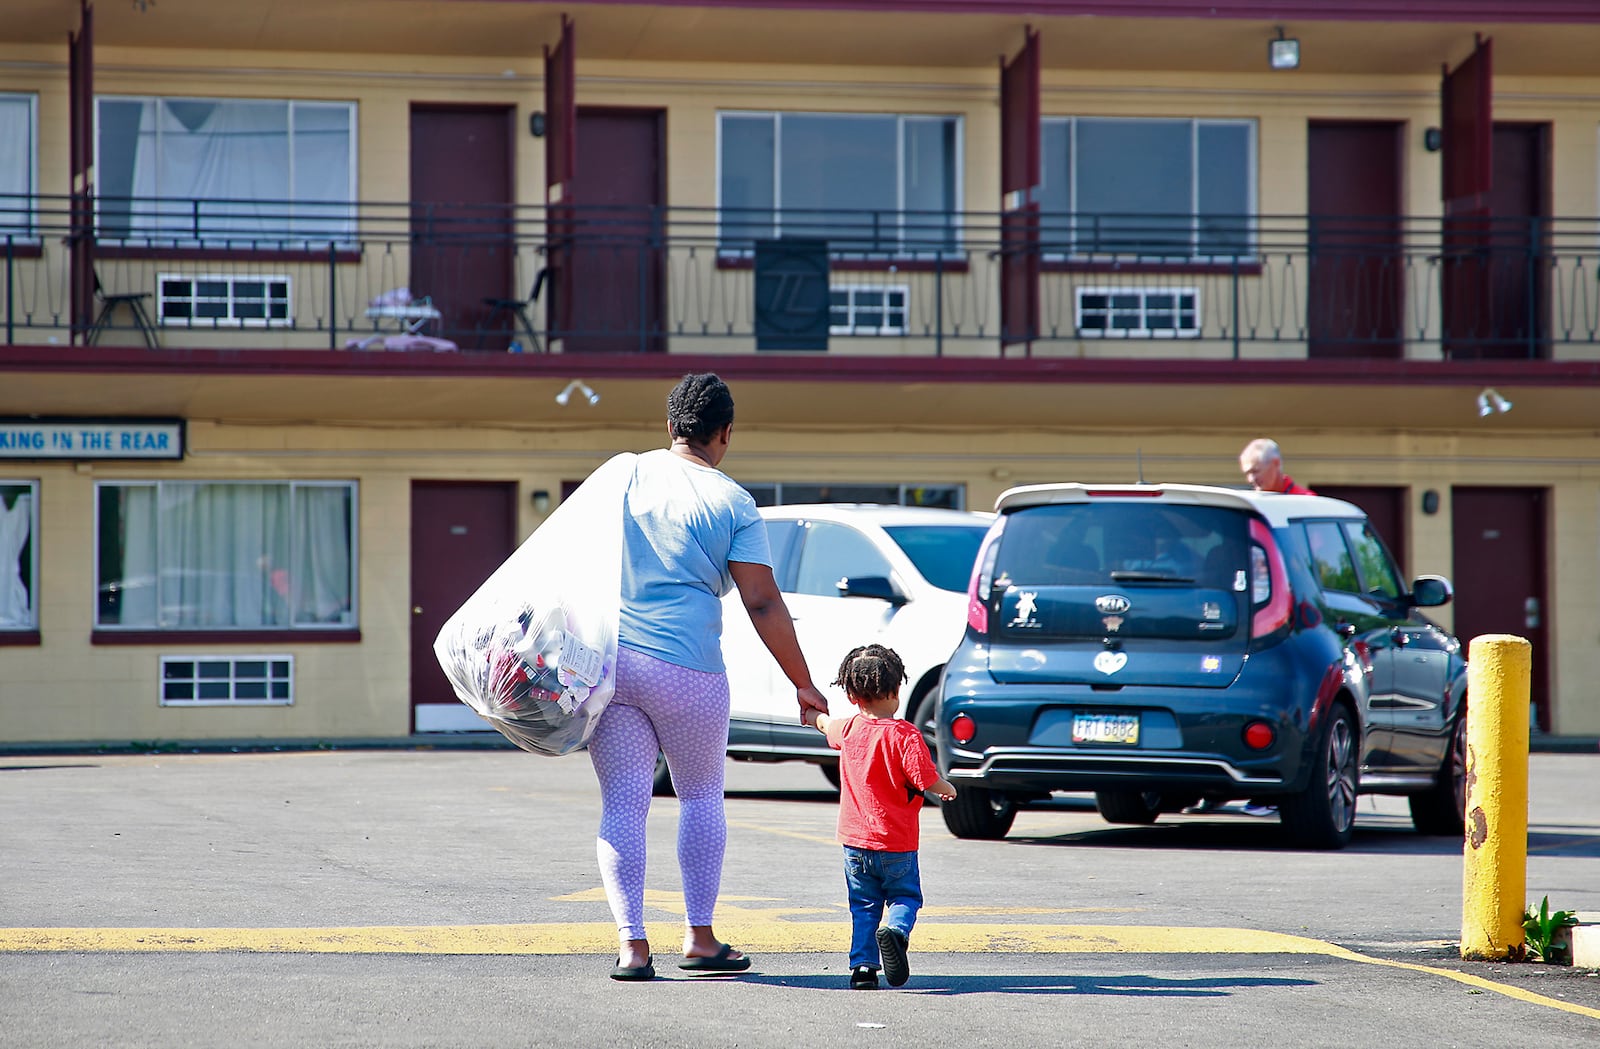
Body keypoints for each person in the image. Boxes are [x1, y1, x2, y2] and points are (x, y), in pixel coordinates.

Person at [589, 373, 829, 982]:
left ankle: (632, 947)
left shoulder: (622, 474)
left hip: (614, 666)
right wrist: (802, 682)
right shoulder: (733, 502)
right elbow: (763, 603)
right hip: (687, 669)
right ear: (725, 434)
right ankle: (699, 939)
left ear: (669, 427)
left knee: (624, 803)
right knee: (699, 796)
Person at [801, 644, 957, 990]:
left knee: (864, 906)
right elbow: (925, 779)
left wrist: (812, 715)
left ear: (853, 696)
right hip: (896, 842)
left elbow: (824, 724)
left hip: (855, 845)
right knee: (905, 898)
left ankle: (863, 969)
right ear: (896, 690)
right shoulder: (905, 736)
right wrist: (946, 787)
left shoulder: (850, 729)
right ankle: (896, 932)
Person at [1238, 438, 1314, 818]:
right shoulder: (1255, 507)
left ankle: (1270, 790)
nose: (1252, 480)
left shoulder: (1302, 506)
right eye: (1247, 474)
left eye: (1256, 472)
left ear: (1277, 465)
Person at [1239, 438, 1317, 497]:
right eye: (1248, 473)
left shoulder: (1306, 501)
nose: (1250, 479)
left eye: (1255, 471)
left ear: (1276, 463)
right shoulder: (1251, 507)